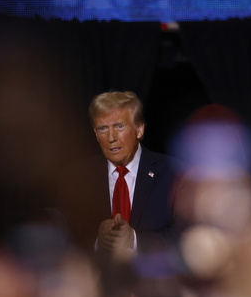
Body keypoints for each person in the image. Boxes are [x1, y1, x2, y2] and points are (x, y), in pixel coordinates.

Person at [71, 91, 182, 261]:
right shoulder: (79, 179)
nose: (111, 138)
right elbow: (66, 241)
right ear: (95, 134)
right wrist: (98, 243)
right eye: (103, 129)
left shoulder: (173, 173)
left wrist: (134, 240)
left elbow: (187, 240)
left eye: (119, 127)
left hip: (153, 282)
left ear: (139, 129)